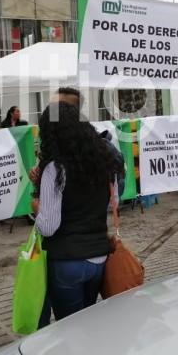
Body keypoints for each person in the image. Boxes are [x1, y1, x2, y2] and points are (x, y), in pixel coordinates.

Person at [33, 102, 118, 320]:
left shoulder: (55, 168)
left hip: (67, 262)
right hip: (99, 258)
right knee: (87, 324)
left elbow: (49, 227)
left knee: (69, 330)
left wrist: (37, 206)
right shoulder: (104, 159)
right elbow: (113, 202)